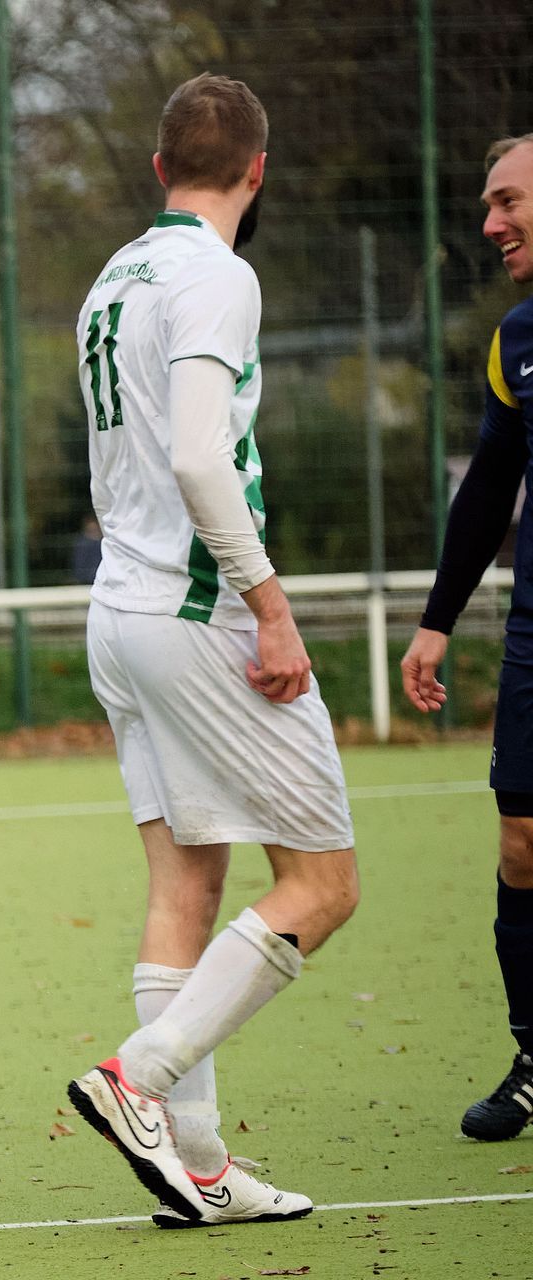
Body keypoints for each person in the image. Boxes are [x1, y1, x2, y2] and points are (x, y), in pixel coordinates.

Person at [63, 74, 359, 1228]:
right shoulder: (217, 275)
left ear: (158, 169)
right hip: (198, 615)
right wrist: (271, 605)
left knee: (187, 884)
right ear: (258, 169)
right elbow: (197, 456)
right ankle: (140, 1074)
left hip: (119, 611)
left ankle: (199, 1169)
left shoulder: (116, 274)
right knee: (323, 885)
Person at [400, 131, 533, 1143]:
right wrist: (436, 622)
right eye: (488, 204)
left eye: (507, 201)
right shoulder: (515, 340)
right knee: (523, 845)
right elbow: (489, 488)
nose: (490, 223)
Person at [72, 515, 105, 585]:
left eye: (95, 530)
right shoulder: (82, 546)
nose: (94, 533)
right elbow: (79, 568)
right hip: (86, 582)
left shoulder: (104, 544)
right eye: (91, 531)